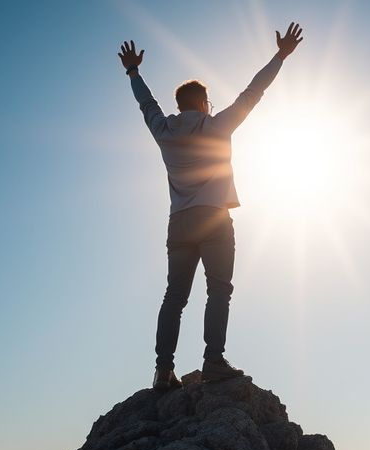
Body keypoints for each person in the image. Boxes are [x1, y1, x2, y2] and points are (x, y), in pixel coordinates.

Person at [117, 23, 304, 390]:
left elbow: (146, 102)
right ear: (203, 103)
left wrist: (133, 71)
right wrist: (280, 56)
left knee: (174, 297)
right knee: (218, 290)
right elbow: (254, 91)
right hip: (214, 219)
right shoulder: (218, 126)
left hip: (180, 221)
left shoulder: (163, 131)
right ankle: (213, 361)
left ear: (179, 105)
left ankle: (163, 371)